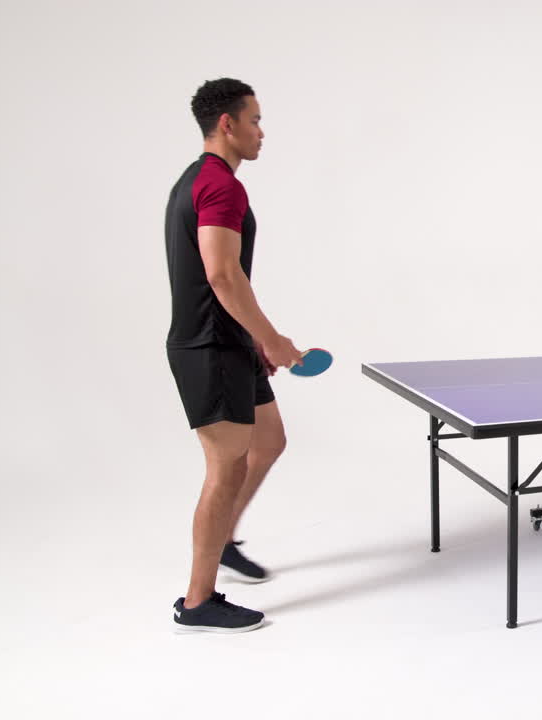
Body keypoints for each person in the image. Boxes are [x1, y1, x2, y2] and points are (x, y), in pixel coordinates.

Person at [164, 78, 303, 632]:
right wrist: (273, 340)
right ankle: (197, 602)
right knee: (226, 469)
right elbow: (221, 275)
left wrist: (251, 341)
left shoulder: (201, 181)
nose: (260, 132)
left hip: (229, 343)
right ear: (228, 123)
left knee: (269, 441)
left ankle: (223, 540)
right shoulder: (220, 187)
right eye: (255, 120)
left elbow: (220, 278)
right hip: (208, 348)